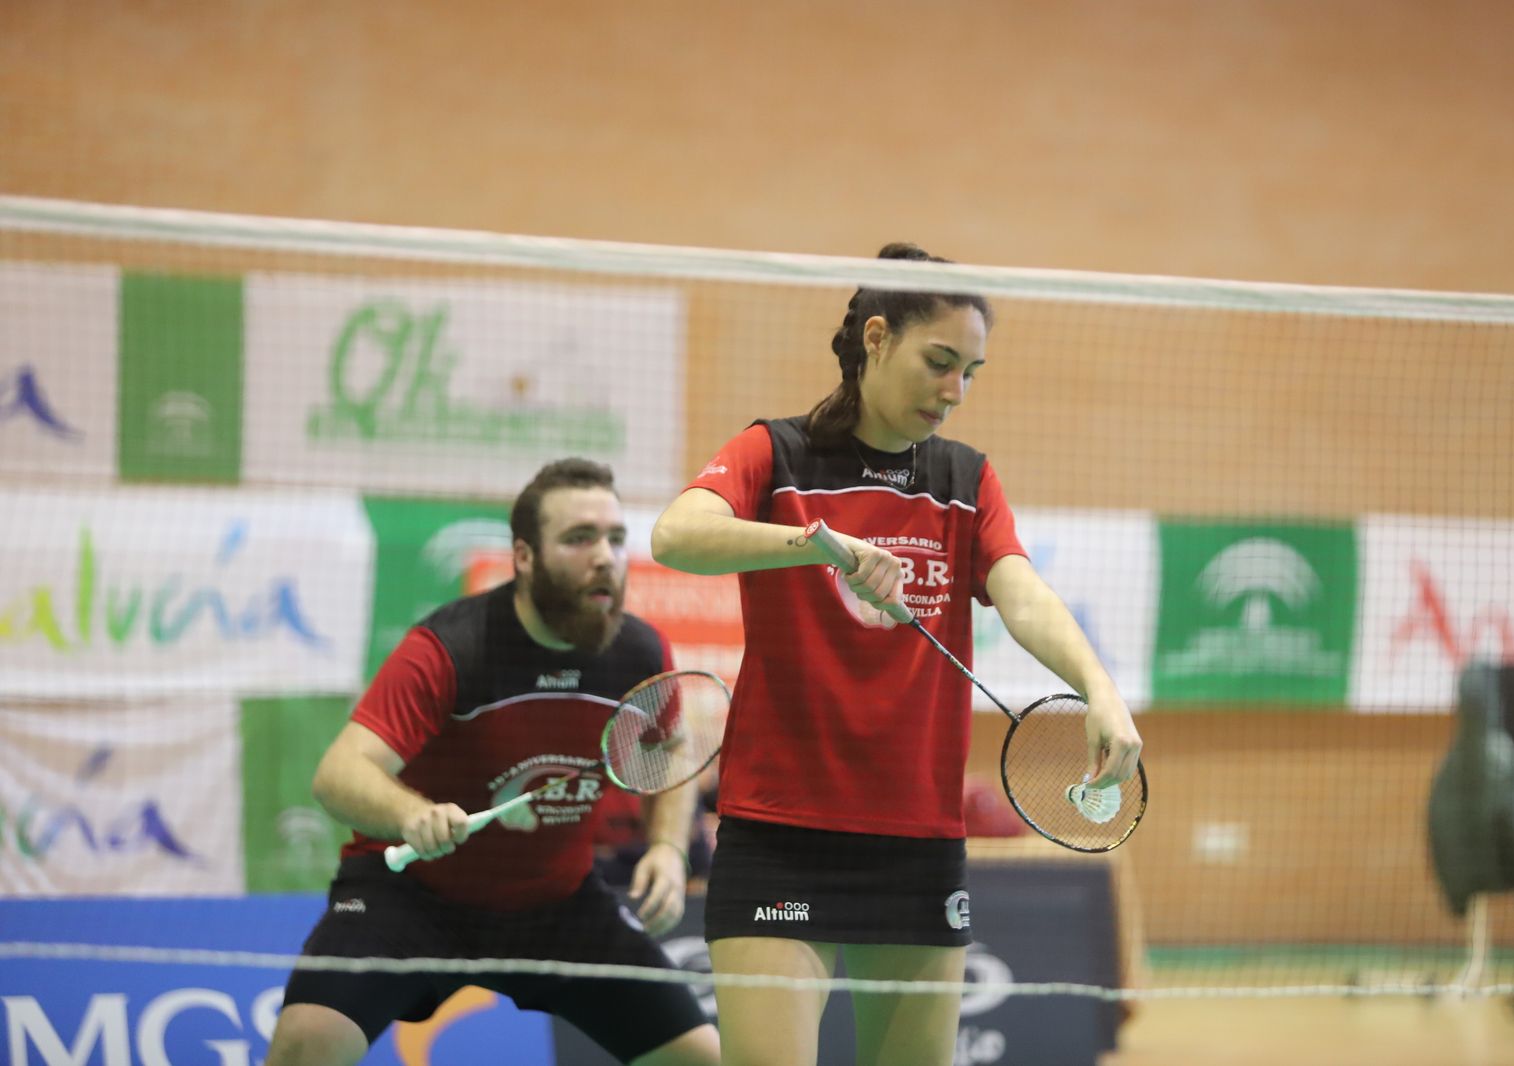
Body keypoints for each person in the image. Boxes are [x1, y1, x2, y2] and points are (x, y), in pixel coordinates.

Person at [651, 243, 1143, 1066]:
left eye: (970, 373)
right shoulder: (778, 454)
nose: (955, 392)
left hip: (915, 839)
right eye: (939, 362)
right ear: (877, 338)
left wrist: (1100, 688)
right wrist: (817, 544)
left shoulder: (964, 480)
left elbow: (1021, 592)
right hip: (780, 834)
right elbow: (677, 534)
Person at [266, 458, 721, 1066]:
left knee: (701, 1059)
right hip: (412, 897)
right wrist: (411, 814)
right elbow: (338, 774)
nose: (605, 557)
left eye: (615, 539)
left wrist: (666, 847)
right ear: (524, 556)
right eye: (579, 538)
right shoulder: (452, 648)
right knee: (306, 1044)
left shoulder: (639, 651)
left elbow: (667, 751)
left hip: (559, 905)